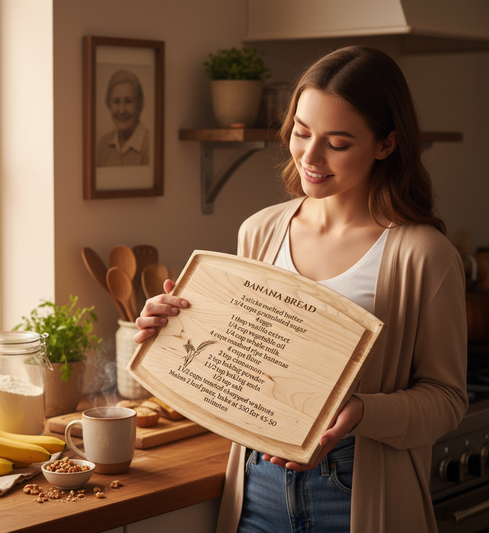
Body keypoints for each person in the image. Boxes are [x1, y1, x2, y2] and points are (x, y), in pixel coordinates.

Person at [134, 46, 468, 533]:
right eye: (301, 132)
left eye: (337, 142)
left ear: (386, 144)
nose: (310, 157)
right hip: (256, 487)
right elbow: (237, 362)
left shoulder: (424, 254)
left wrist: (360, 413)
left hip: (354, 489)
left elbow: (447, 400)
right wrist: (171, 329)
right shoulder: (259, 232)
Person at [97, 69, 149, 167]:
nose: (121, 111)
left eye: (128, 101)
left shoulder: (150, 145)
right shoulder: (102, 144)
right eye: (116, 101)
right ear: (109, 104)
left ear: (139, 105)